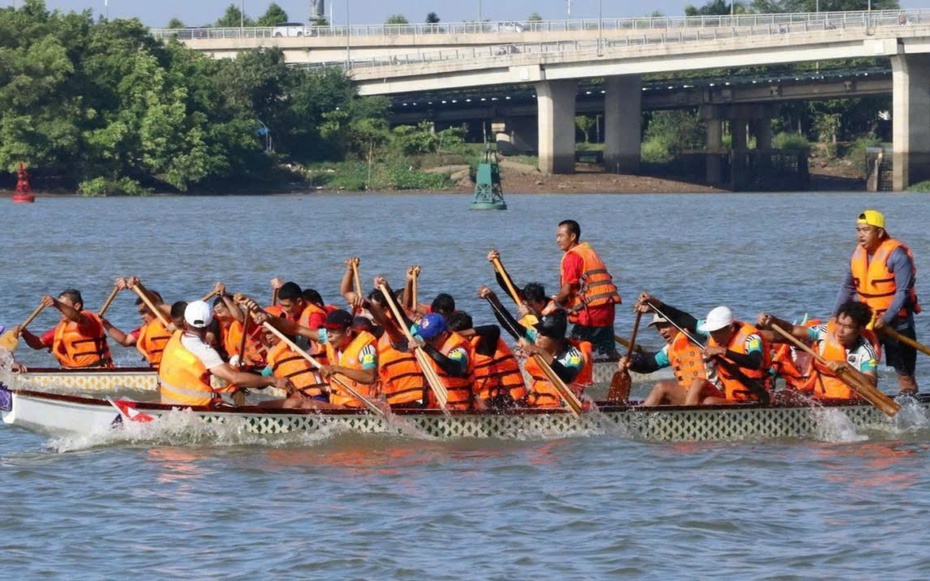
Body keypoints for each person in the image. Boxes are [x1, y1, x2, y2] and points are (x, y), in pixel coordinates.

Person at [836, 210, 921, 395]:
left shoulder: (898, 255)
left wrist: (887, 317)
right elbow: (847, 288)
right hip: (867, 324)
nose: (860, 234)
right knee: (862, 371)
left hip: (897, 324)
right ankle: (862, 406)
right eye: (858, 230)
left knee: (905, 376)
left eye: (866, 230)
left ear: (880, 232)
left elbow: (903, 292)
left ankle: (912, 413)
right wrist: (837, 316)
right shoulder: (856, 255)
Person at [157, 300, 291, 407]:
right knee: (238, 391)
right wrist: (273, 380)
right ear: (210, 324)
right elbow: (235, 378)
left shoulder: (177, 336)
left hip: (169, 403)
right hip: (194, 408)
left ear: (185, 322)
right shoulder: (204, 352)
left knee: (229, 390)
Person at [481, 286, 591, 409]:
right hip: (537, 404)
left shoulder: (573, 355)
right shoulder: (536, 337)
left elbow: (568, 377)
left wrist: (542, 353)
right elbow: (511, 326)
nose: (537, 337)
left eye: (542, 335)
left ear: (555, 339)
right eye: (538, 333)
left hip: (563, 408)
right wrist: (494, 301)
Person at [757, 301, 879, 401]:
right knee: (781, 396)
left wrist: (846, 366)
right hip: (819, 401)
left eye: (847, 327)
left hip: (849, 403)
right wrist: (772, 320)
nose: (840, 331)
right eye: (839, 324)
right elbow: (792, 329)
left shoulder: (866, 351)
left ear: (860, 329)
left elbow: (871, 383)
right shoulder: (823, 332)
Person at [619, 294, 711, 407]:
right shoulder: (671, 349)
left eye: (665, 325)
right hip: (691, 395)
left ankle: (637, 420)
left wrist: (657, 305)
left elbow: (689, 321)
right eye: (658, 327)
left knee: (662, 388)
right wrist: (631, 361)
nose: (662, 331)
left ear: (678, 324)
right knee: (663, 397)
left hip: (711, 393)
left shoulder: (698, 335)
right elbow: (650, 363)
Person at [553, 219, 621, 358]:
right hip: (606, 308)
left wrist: (551, 304)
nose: (557, 240)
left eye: (561, 236)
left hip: (591, 312)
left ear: (572, 237)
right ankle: (625, 369)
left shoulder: (572, 257)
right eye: (557, 236)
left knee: (575, 349)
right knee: (608, 350)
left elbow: (567, 290)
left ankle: (579, 377)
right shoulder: (588, 251)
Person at [686, 306, 771, 406]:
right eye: (712, 332)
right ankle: (684, 418)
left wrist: (723, 351)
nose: (714, 336)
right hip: (728, 394)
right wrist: (662, 307)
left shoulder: (752, 339)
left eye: (717, 331)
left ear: (730, 328)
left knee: (709, 402)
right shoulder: (714, 336)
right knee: (694, 383)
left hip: (754, 398)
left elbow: (755, 361)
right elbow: (685, 320)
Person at [447, 311, 527, 410]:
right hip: (483, 400)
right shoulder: (461, 351)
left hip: (499, 401)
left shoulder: (483, 347)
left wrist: (461, 334)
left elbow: (493, 329)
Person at [18, 290, 113, 369]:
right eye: (59, 306)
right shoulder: (61, 328)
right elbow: (38, 343)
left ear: (77, 306)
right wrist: (24, 333)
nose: (60, 310)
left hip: (97, 369)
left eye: (63, 306)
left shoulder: (89, 319)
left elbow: (77, 317)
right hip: (73, 371)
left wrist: (56, 303)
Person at [412, 312, 474, 410]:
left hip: (459, 409)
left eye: (431, 338)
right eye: (425, 338)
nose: (427, 341)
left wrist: (426, 347)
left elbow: (455, 369)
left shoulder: (458, 350)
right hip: (436, 408)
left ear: (444, 335)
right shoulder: (428, 344)